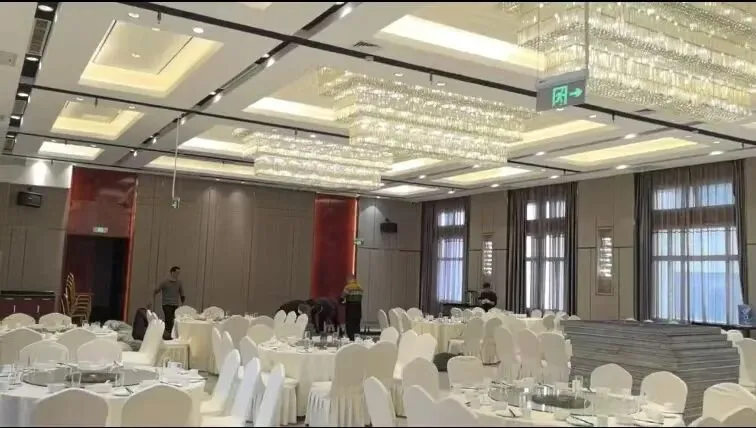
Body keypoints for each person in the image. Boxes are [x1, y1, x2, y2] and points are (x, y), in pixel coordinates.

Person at [153, 266, 185, 339]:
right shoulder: (165, 282)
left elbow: (182, 293)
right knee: (168, 319)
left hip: (175, 305)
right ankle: (167, 335)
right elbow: (157, 290)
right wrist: (152, 297)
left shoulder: (179, 283)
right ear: (172, 272)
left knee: (174, 320)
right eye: (176, 272)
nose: (177, 274)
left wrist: (182, 302)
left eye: (178, 273)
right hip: (166, 304)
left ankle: (171, 335)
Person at [340, 274, 363, 340]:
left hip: (350, 308)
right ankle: (357, 339)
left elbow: (342, 297)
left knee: (350, 324)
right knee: (357, 324)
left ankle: (351, 339)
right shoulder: (359, 287)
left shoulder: (348, 287)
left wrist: (340, 301)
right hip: (358, 308)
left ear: (349, 279)